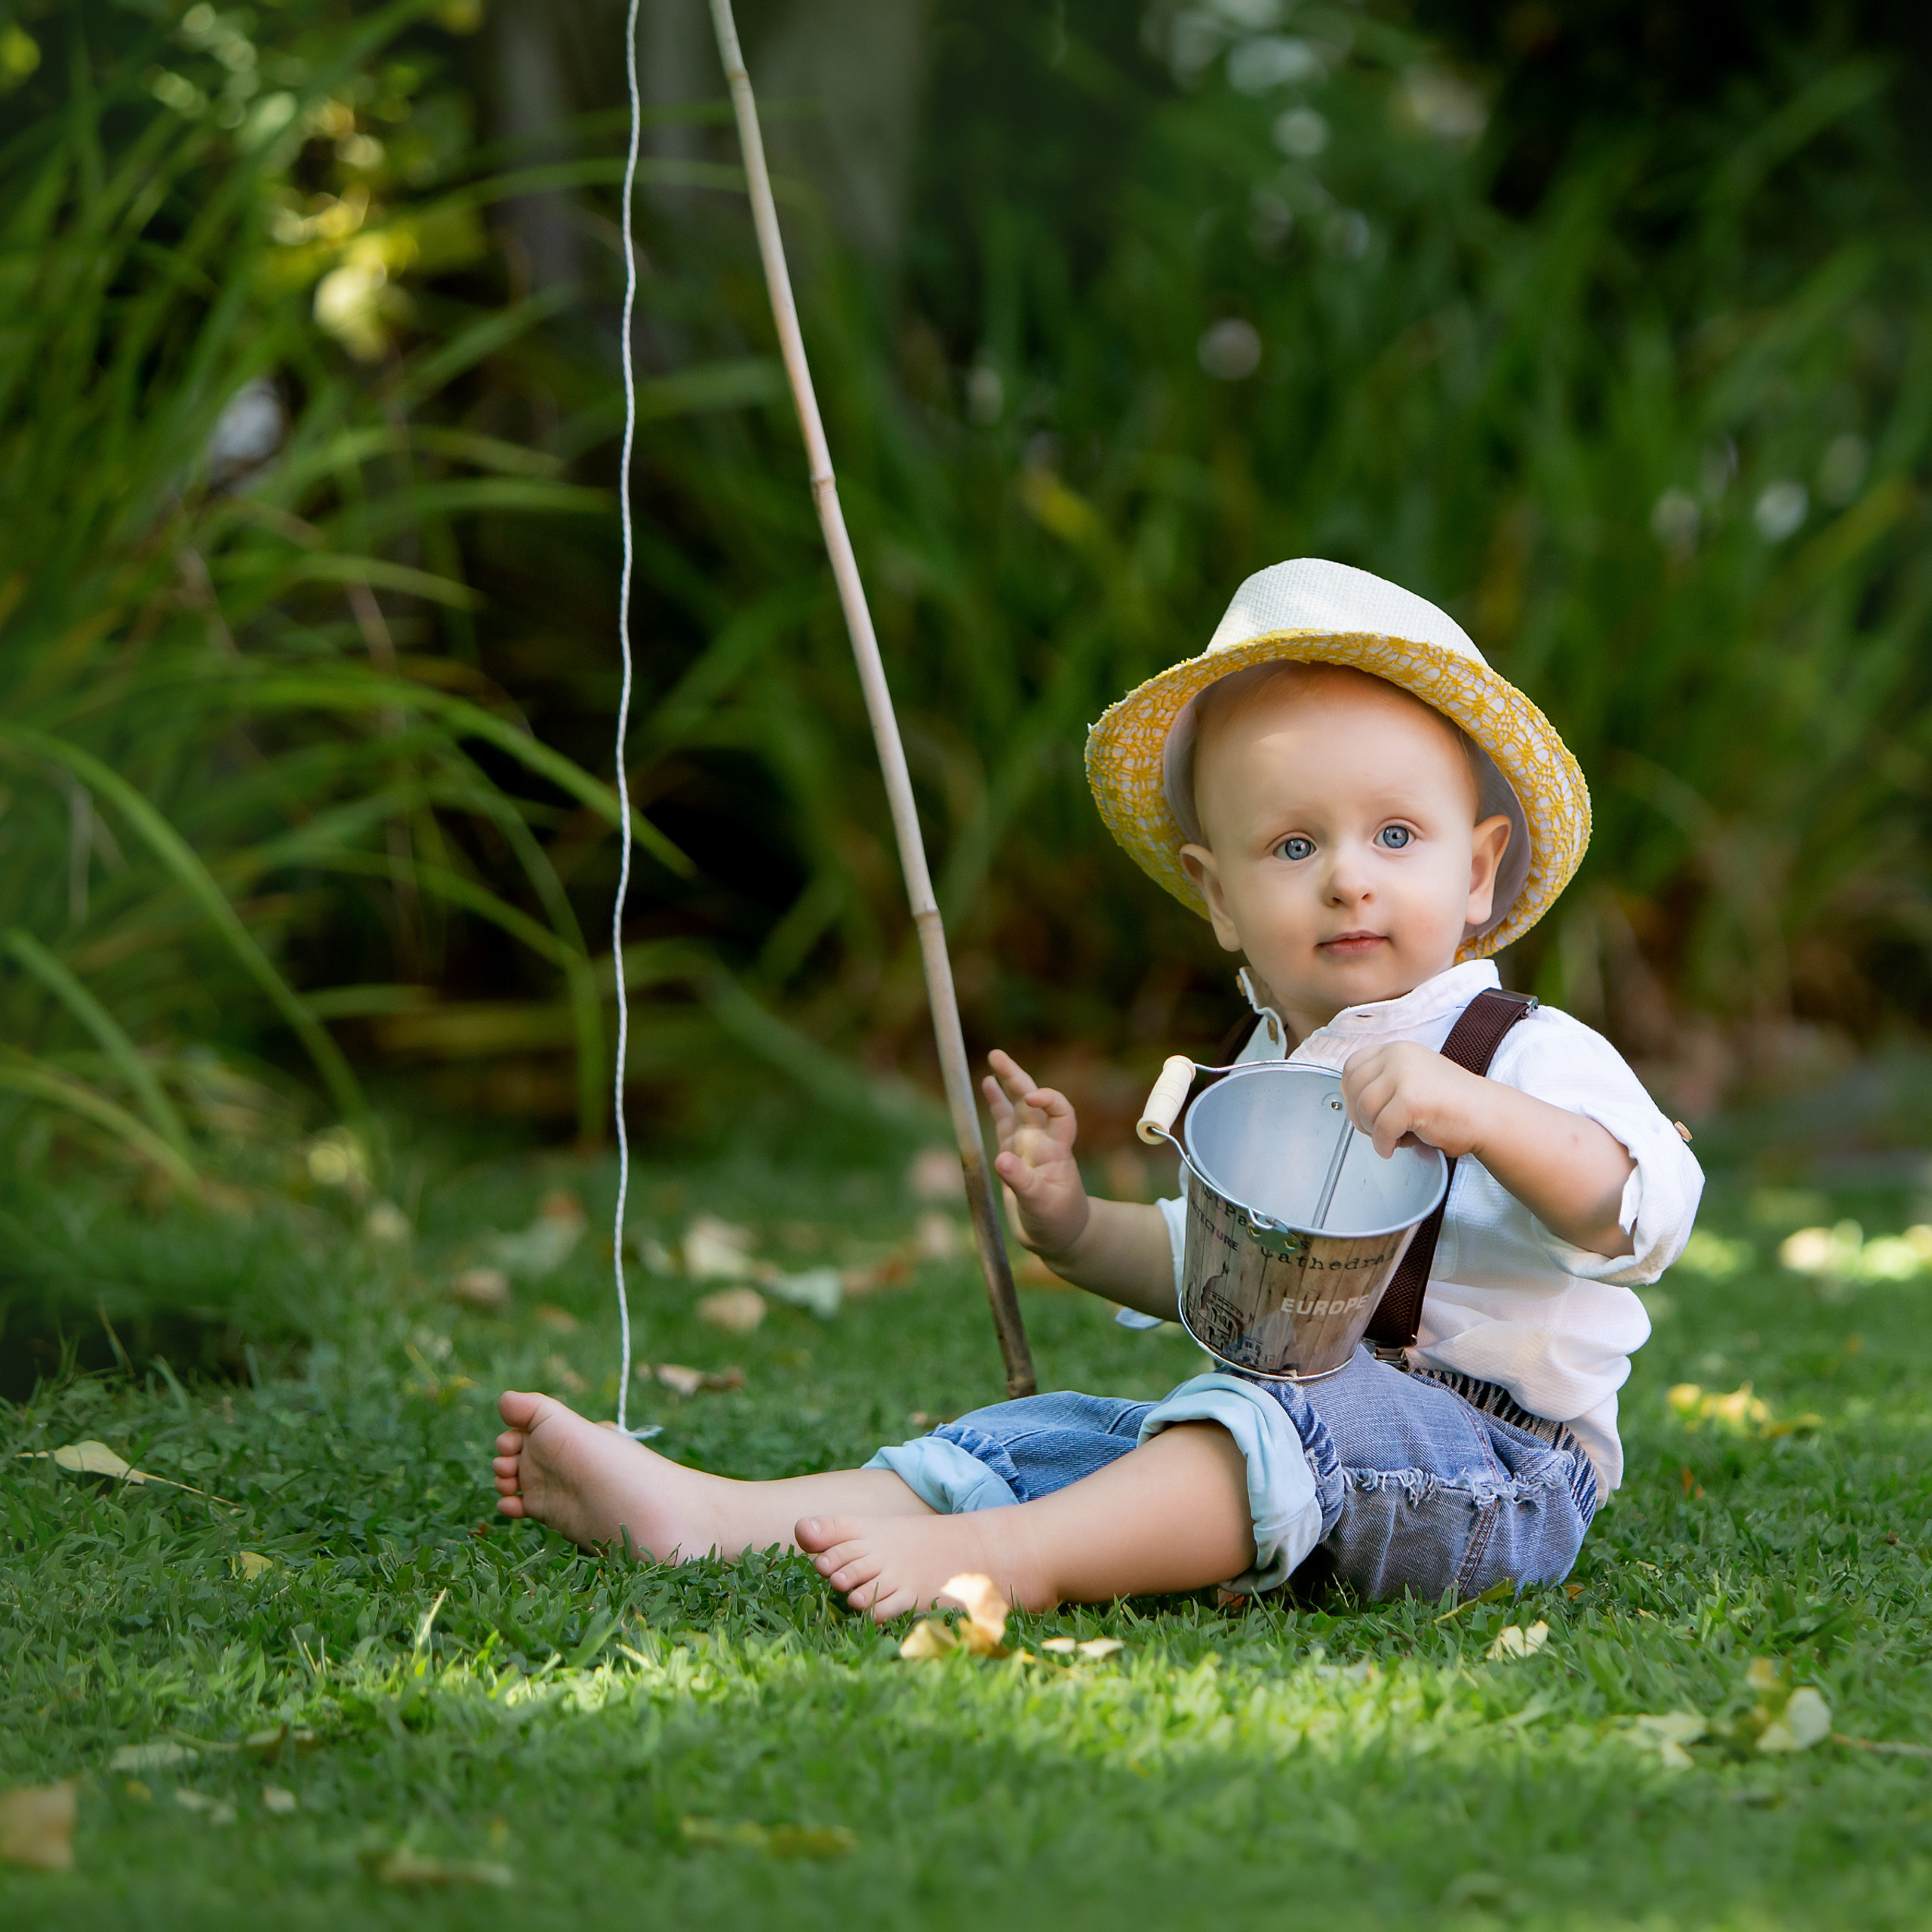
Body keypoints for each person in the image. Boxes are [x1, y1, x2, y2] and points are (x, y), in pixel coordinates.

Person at [490, 559, 1703, 1617]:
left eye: (1396, 836)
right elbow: (1213, 1276)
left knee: (1259, 1428)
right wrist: (1070, 1226)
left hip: (1495, 1469)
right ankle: (715, 1518)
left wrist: (1484, 1117)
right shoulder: (1267, 1066)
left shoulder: (1519, 1051)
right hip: (1287, 1435)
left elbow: (1638, 1213)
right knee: (1054, 1434)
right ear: (1218, 896)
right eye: (1293, 846)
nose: (1348, 879)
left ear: (1480, 871)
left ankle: (1013, 1559)